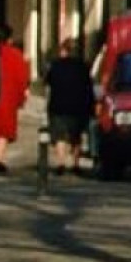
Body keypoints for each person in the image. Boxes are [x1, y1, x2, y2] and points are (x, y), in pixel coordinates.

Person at [44, 39, 96, 174]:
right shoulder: (83, 67)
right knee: (76, 136)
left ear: (64, 50)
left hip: (58, 105)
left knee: (60, 136)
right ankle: (75, 163)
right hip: (78, 107)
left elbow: (48, 85)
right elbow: (88, 88)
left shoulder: (56, 66)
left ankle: (61, 163)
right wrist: (91, 107)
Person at [0, 23, 31, 173]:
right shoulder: (16, 55)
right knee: (2, 132)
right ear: (9, 39)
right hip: (8, 98)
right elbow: (22, 78)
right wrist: (21, 98)